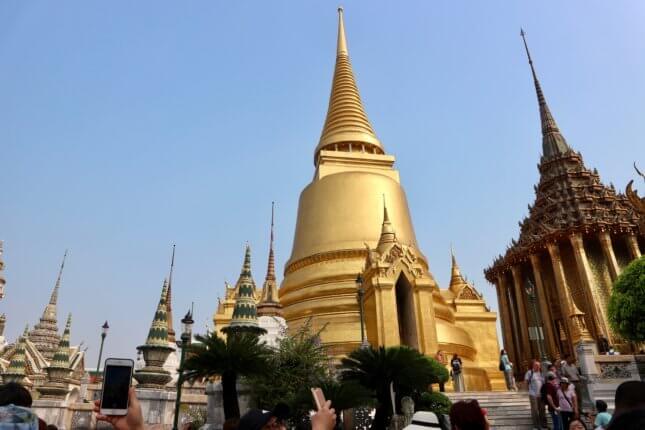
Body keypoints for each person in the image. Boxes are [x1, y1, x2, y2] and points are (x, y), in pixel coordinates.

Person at [524, 360, 545, 430]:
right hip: (533, 394)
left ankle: (543, 424)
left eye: (539, 365)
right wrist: (528, 390)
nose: (538, 367)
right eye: (536, 365)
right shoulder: (529, 373)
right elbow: (526, 381)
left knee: (542, 409)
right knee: (535, 410)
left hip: (541, 394)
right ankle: (536, 425)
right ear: (533, 366)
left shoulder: (541, 373)